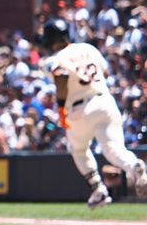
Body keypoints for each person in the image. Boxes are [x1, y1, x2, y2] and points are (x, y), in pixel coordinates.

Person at [39, 18, 147, 209]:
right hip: (105, 101)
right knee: (114, 149)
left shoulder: (54, 59)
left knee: (78, 150)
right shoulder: (88, 48)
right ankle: (134, 166)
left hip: (80, 109)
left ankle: (98, 190)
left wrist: (62, 108)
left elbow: (61, 75)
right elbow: (105, 73)